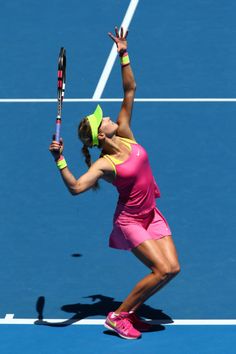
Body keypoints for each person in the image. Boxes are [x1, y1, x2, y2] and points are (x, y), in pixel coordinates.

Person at [49, 26, 180, 340]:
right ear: (101, 135)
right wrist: (61, 161)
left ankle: (130, 314)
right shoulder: (106, 164)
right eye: (101, 120)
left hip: (151, 213)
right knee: (160, 271)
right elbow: (77, 188)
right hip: (131, 221)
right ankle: (118, 316)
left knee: (172, 269)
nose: (106, 116)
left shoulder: (124, 133)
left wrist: (124, 54)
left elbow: (130, 90)